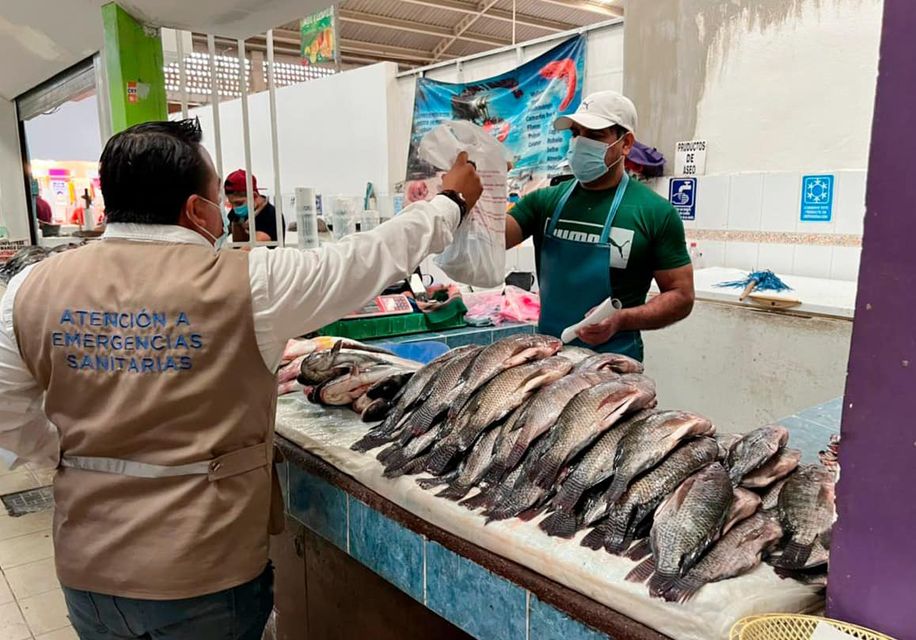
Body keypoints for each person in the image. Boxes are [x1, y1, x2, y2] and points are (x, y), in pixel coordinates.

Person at [0, 119, 481, 639]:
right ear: (195, 210)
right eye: (217, 199)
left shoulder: (32, 287)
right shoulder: (250, 284)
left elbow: (4, 417)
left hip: (87, 569)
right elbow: (363, 260)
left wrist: (68, 455)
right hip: (204, 575)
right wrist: (450, 201)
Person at [506, 90, 695, 361]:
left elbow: (681, 295)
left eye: (594, 136)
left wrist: (621, 320)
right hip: (548, 360)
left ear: (625, 143)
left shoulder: (654, 212)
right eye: (576, 134)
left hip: (612, 368)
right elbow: (493, 239)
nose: (580, 143)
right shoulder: (545, 202)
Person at [223, 169, 284, 243]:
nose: (235, 208)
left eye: (239, 203)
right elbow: (222, 232)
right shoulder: (236, 212)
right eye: (231, 204)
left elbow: (255, 245)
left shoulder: (272, 215)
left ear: (254, 196)